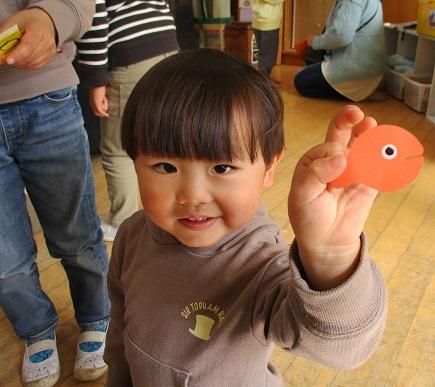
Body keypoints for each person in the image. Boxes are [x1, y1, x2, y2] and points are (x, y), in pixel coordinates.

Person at [105, 48, 388, 386]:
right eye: (166, 167)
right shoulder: (133, 235)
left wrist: (331, 258)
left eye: (222, 167)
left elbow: (342, 348)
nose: (193, 196)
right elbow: (121, 334)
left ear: (269, 167)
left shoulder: (262, 263)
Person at [0, 2, 110, 386]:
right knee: (4, 257)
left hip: (45, 93)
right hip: (45, 91)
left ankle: (97, 316)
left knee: (76, 235)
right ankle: (35, 328)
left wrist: (50, 17)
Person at [75, 0, 180, 242]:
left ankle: (123, 223)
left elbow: (95, 21)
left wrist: (96, 81)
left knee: (118, 150)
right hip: (168, 50)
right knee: (163, 143)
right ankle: (168, 214)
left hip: (129, 57)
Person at [294, 0, 386, 102]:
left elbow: (341, 36)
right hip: (371, 69)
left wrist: (313, 41)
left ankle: (352, 92)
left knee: (301, 81)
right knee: (310, 68)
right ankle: (364, 91)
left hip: (357, 69)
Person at [251, 0, 284, 79]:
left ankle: (263, 80)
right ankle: (262, 82)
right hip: (268, 22)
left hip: (259, 20)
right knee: (268, 57)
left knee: (264, 54)